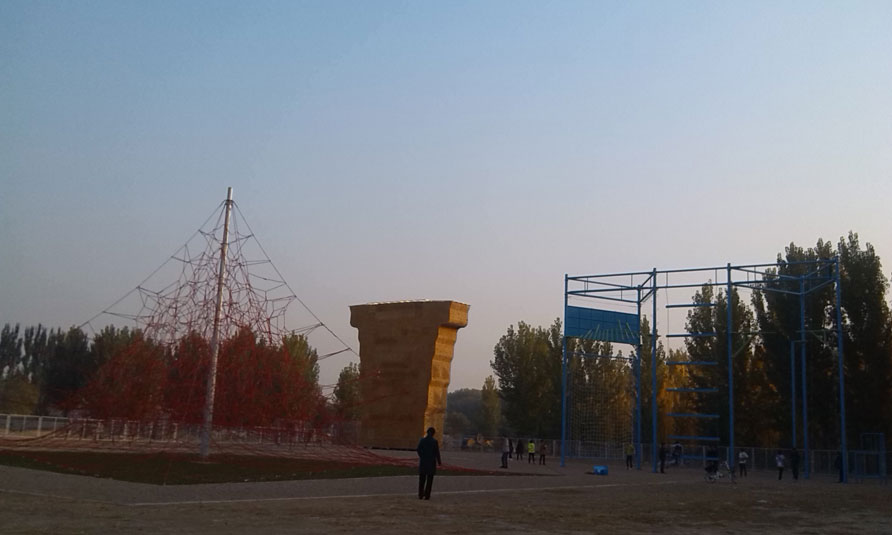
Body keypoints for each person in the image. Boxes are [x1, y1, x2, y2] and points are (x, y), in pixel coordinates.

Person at [417, 427, 442, 500]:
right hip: (431, 463)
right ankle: (427, 495)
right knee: (429, 480)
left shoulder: (422, 440)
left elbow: (418, 449)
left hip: (423, 462)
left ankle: (420, 494)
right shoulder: (434, 442)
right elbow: (437, 452)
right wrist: (439, 461)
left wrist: (422, 456)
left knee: (422, 480)